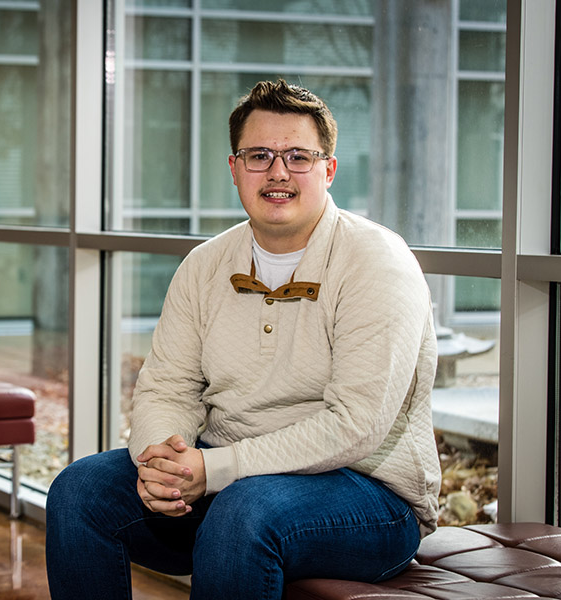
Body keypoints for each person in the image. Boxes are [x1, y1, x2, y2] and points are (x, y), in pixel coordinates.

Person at [45, 79, 441, 599]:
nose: (278, 172)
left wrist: (213, 469)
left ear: (329, 169)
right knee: (78, 491)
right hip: (225, 473)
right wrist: (159, 462)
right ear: (235, 170)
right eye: (259, 155)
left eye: (299, 156)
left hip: (368, 494)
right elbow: (168, 386)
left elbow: (356, 426)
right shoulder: (206, 264)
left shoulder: (376, 262)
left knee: (243, 510)